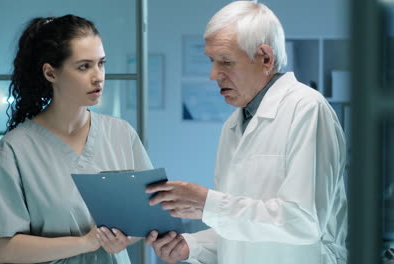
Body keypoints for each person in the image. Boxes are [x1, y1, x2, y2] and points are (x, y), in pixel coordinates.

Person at [144, 2, 347, 264]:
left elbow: (303, 221)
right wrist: (190, 246)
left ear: (265, 58)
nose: (213, 74)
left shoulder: (307, 109)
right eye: (211, 61)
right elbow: (238, 228)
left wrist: (208, 204)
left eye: (226, 62)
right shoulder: (233, 125)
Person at [0, 15, 152, 264]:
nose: (98, 76)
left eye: (101, 63)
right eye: (84, 66)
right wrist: (86, 242)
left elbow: (148, 214)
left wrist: (121, 238)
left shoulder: (121, 134)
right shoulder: (15, 150)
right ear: (51, 73)